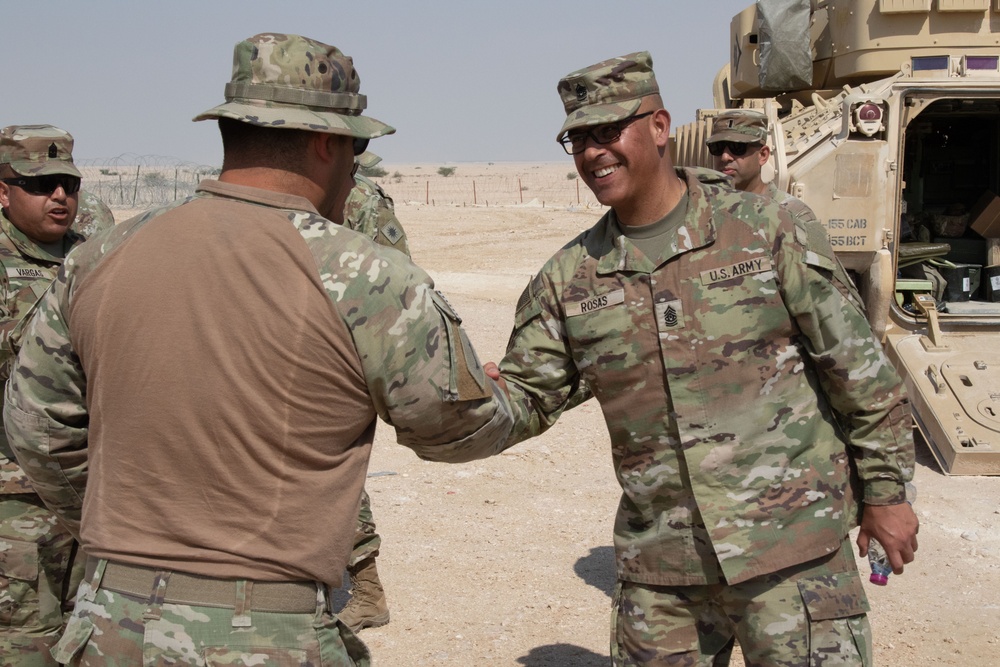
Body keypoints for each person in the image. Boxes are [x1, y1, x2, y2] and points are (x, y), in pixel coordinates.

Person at [4, 32, 512, 666]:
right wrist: (508, 393)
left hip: (111, 626)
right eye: (356, 148)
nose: (356, 168)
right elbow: (454, 427)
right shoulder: (364, 274)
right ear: (328, 143)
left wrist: (121, 531)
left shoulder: (99, 257)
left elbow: (37, 431)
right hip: (267, 636)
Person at [487, 51, 918, 666]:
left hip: (792, 555)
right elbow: (527, 397)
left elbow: (860, 372)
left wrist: (887, 493)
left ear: (660, 127)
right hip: (664, 571)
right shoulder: (570, 278)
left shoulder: (768, 228)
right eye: (577, 139)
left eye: (607, 133)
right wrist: (460, 388)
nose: (592, 154)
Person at [0, 124, 88, 666]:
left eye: (67, 183)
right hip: (15, 502)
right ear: (3, 190)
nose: (59, 196)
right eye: (40, 184)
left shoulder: (97, 257)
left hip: (94, 493)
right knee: (26, 644)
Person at [337, 151, 411, 632]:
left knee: (334, 469)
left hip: (337, 350)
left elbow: (396, 277)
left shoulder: (361, 199)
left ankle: (366, 590)